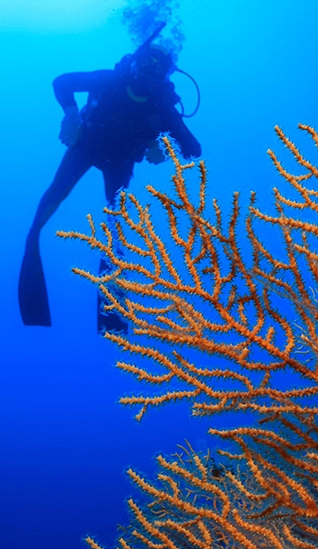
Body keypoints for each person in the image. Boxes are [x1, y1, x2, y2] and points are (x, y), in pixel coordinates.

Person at [19, 28, 201, 332]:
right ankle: (33, 273)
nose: (150, 71)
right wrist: (71, 115)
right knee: (47, 207)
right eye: (148, 62)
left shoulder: (162, 106)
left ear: (168, 74)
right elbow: (62, 83)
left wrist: (163, 143)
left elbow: (193, 149)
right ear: (137, 61)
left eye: (161, 67)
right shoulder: (111, 80)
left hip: (120, 163)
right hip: (85, 148)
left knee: (116, 228)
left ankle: (112, 313)